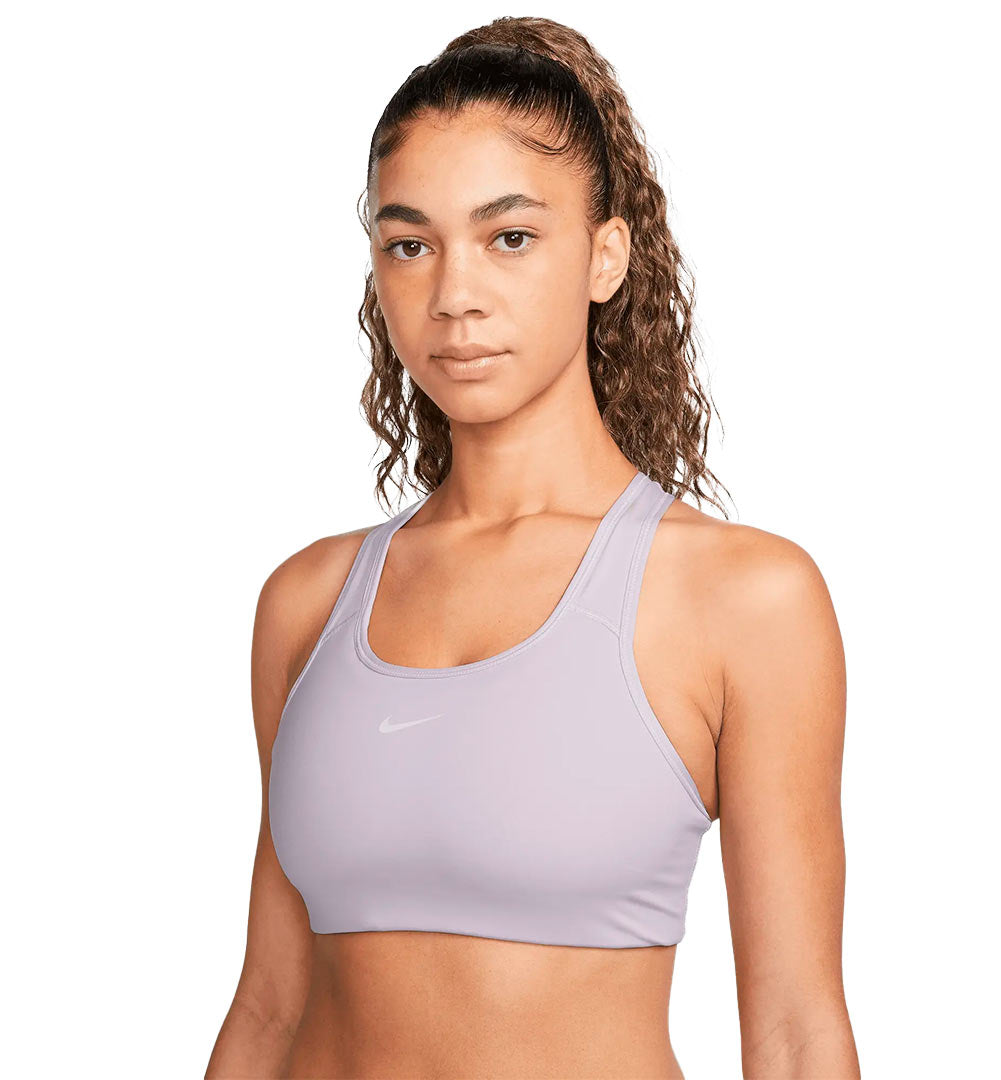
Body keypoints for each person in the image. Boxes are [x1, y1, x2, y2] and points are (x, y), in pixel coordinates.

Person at [206, 16, 858, 1079]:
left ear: (606, 257)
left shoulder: (742, 599)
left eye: (509, 237)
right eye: (410, 244)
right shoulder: (308, 603)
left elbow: (794, 1034)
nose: (454, 295)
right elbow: (269, 1010)